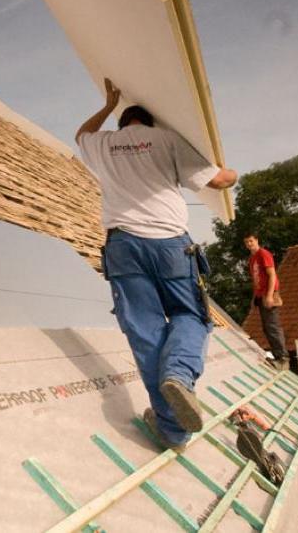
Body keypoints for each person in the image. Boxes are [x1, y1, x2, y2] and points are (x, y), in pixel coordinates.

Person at [76, 78, 237, 450]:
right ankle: (179, 375)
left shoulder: (104, 144)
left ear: (122, 124)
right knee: (191, 316)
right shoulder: (167, 141)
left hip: (124, 246)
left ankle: (172, 429)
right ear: (150, 123)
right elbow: (219, 182)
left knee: (145, 330)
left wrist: (107, 104)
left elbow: (82, 133)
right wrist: (229, 170)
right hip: (169, 247)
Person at [244, 234, 287, 369]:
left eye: (251, 241)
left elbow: (272, 275)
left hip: (268, 294)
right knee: (267, 327)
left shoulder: (263, 254)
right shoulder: (252, 259)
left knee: (273, 326)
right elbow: (257, 281)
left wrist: (269, 295)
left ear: (257, 240)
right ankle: (277, 356)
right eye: (246, 242)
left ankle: (283, 360)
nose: (249, 244)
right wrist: (254, 298)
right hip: (260, 295)